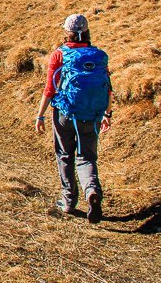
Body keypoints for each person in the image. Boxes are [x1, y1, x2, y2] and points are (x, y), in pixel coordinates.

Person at [34, 14, 112, 224]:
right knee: (87, 157)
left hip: (65, 113)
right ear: (86, 31)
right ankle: (92, 191)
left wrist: (40, 115)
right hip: (92, 114)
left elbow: (50, 88)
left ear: (66, 32)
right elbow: (108, 87)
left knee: (64, 154)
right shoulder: (99, 56)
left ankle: (68, 200)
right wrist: (107, 113)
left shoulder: (60, 54)